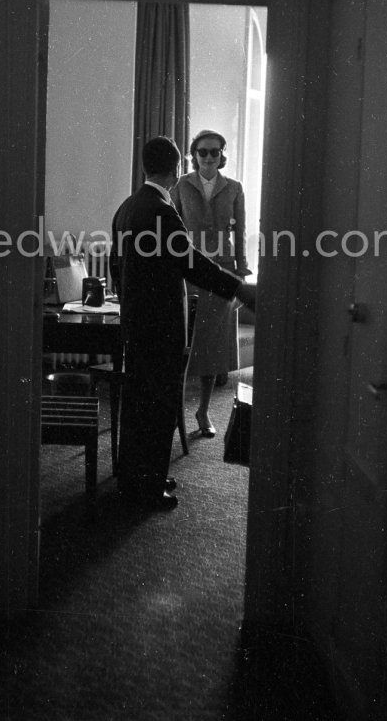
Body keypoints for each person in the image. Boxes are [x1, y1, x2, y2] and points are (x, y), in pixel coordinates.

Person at [110, 136, 255, 510]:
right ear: (176, 170)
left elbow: (116, 268)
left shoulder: (127, 207)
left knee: (139, 404)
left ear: (144, 166)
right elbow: (191, 262)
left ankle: (138, 474)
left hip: (137, 324)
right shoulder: (161, 210)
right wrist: (239, 287)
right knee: (158, 406)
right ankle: (148, 486)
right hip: (160, 327)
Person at [170, 129, 251, 437]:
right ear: (194, 155)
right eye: (202, 152)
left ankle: (203, 411)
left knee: (212, 346)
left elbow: (239, 231)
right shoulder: (180, 186)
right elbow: (170, 229)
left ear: (222, 156)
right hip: (188, 268)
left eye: (213, 152)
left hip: (222, 268)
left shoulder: (234, 188)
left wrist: (241, 267)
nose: (207, 157)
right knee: (181, 340)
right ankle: (174, 407)